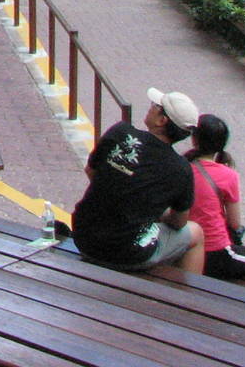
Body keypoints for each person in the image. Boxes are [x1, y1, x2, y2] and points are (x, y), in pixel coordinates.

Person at [72, 88, 205, 275]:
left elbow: (91, 170)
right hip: (129, 254)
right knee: (196, 233)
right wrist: (156, 212)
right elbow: (179, 222)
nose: (150, 107)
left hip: (84, 237)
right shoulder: (181, 168)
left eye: (155, 106)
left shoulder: (120, 132)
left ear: (162, 120)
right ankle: (188, 300)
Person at [184, 115, 245, 280]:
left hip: (186, 248)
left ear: (194, 140)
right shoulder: (228, 175)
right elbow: (235, 223)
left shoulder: (183, 166)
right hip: (216, 252)